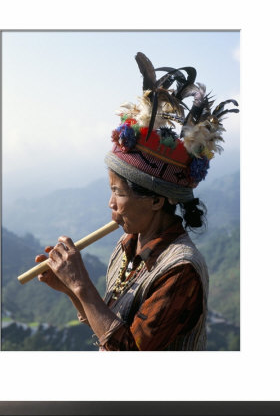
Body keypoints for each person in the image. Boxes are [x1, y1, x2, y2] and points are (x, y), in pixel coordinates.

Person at [35, 52, 239, 351]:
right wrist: (71, 290)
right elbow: (109, 325)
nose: (111, 204)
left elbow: (130, 353)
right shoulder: (127, 246)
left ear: (157, 200)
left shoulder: (181, 269)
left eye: (118, 192)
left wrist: (81, 284)